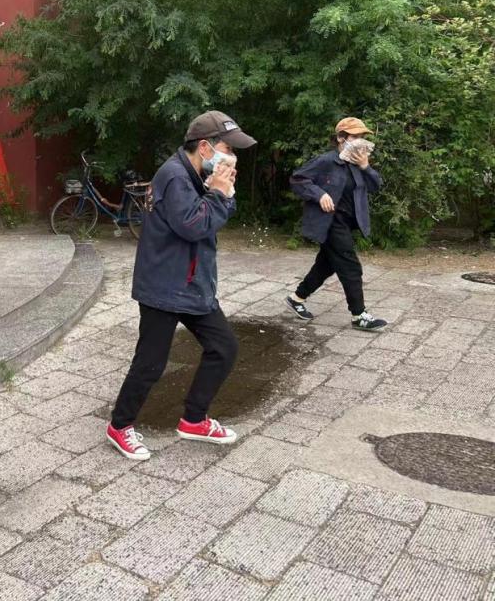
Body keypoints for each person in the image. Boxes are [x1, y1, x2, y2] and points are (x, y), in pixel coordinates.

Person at [105, 110, 257, 461]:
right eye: (227, 149)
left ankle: (194, 419)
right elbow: (193, 225)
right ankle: (119, 425)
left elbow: (212, 217)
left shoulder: (196, 175)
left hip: (191, 283)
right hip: (164, 285)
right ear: (205, 147)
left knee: (223, 347)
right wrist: (218, 194)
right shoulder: (174, 176)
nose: (232, 157)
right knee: (151, 362)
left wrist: (223, 193)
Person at [285, 117, 386, 330]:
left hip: (347, 223)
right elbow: (298, 179)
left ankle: (297, 298)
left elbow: (376, 186)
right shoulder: (326, 161)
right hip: (330, 222)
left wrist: (366, 166)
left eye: (362, 137)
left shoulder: (358, 163)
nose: (360, 141)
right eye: (355, 136)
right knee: (351, 266)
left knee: (326, 265)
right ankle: (359, 315)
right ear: (341, 138)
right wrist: (319, 194)